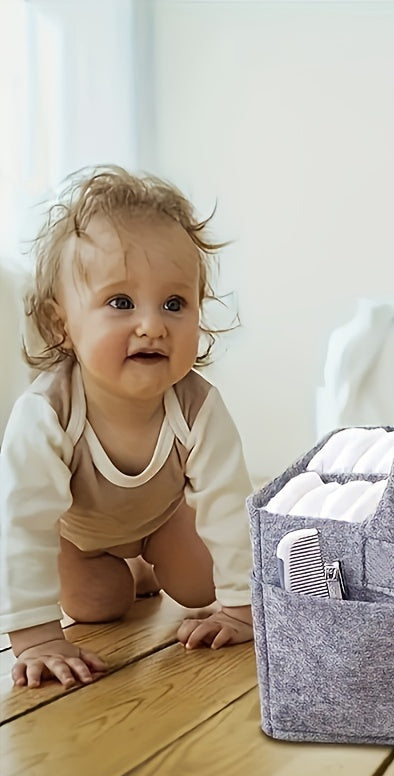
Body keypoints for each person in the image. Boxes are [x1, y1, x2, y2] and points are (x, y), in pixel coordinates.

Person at [0, 166, 255, 688]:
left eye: (175, 303)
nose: (152, 324)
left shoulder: (197, 406)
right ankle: (129, 572)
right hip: (81, 535)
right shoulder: (47, 412)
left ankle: (148, 562)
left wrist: (241, 608)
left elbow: (229, 504)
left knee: (202, 586)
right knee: (99, 607)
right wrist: (37, 636)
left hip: (161, 518)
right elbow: (23, 524)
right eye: (121, 303)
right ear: (60, 325)